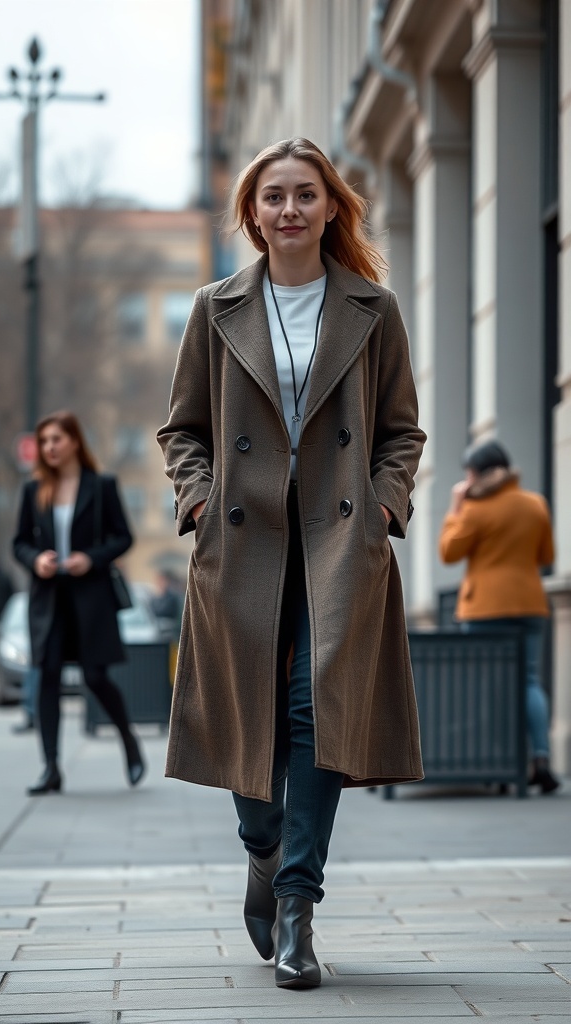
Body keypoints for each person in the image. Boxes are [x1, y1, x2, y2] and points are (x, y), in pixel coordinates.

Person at [157, 137, 426, 989]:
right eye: (273, 196)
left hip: (340, 541)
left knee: (317, 709)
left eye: (305, 194)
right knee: (251, 708)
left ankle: (299, 905)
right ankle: (263, 847)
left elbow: (400, 432)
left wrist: (387, 504)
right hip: (243, 539)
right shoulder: (216, 307)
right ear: (251, 212)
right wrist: (198, 499)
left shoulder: (372, 309)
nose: (289, 210)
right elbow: (183, 430)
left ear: (331, 207)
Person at [13, 410, 146, 795]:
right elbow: (19, 542)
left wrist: (91, 557)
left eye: (56, 439)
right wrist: (35, 560)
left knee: (95, 677)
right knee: (48, 676)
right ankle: (51, 767)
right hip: (49, 596)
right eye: (44, 441)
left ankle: (129, 740)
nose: (49, 447)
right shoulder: (33, 489)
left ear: (74, 441)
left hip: (91, 597)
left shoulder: (101, 486)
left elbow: (124, 538)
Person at [439, 440, 559, 794]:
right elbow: (547, 554)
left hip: (486, 608)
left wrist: (456, 505)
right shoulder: (535, 504)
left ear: (479, 473)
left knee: (490, 688)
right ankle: (540, 758)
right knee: (529, 680)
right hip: (530, 604)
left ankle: (500, 765)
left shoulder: (476, 510)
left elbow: (448, 552)